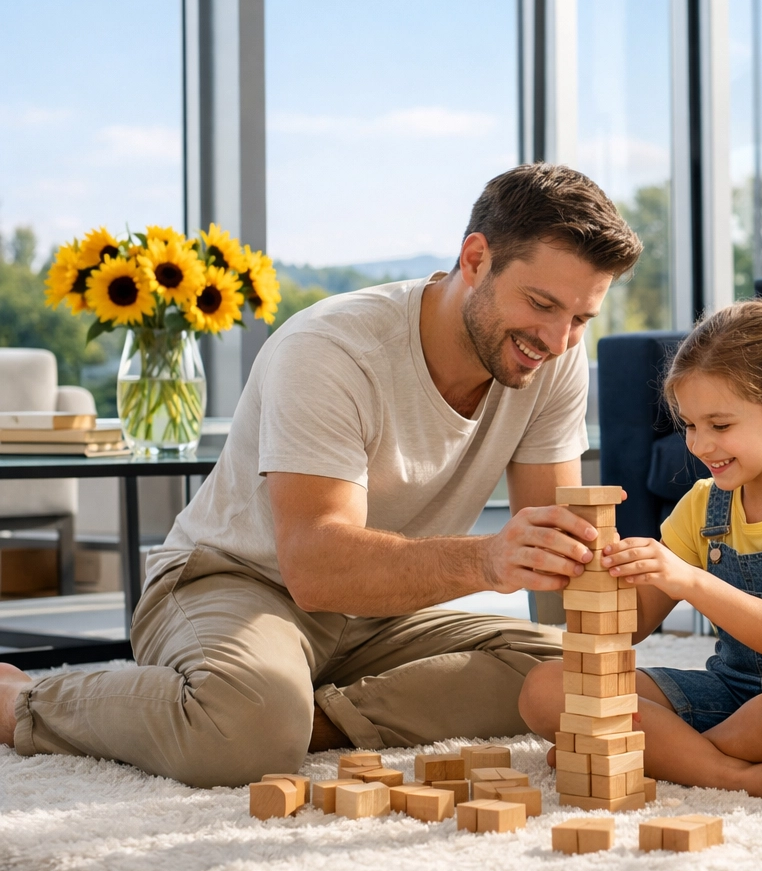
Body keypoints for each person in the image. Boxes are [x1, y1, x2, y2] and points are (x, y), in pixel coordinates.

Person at [0, 163, 643, 787]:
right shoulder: (334, 349)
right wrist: (489, 561)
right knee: (245, 733)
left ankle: (299, 716)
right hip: (240, 581)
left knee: (582, 676)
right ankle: (28, 699)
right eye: (541, 304)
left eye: (580, 319)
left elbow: (562, 573)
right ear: (474, 259)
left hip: (384, 613)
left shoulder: (551, 357)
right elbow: (314, 565)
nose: (558, 340)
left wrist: (658, 582)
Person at [518, 300, 762, 806]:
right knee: (548, 686)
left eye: (720, 425)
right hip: (732, 694)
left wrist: (687, 579)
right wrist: (598, 568)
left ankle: (678, 758)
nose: (700, 444)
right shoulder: (703, 506)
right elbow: (633, 627)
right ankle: (735, 773)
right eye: (688, 425)